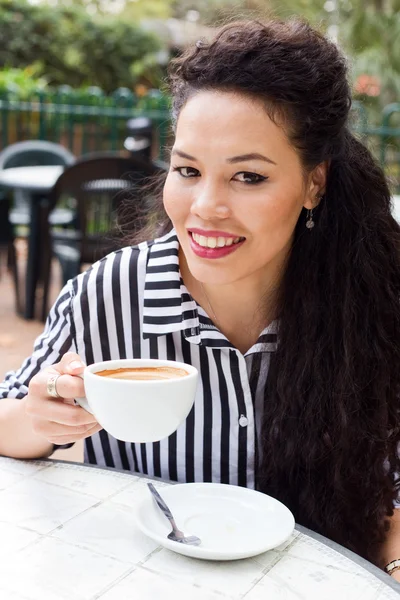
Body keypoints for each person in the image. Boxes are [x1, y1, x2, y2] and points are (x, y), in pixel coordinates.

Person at [1, 18, 400, 573]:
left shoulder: (373, 301)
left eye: (248, 177)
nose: (205, 206)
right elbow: (8, 416)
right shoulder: (108, 295)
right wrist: (40, 420)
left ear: (315, 183)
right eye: (188, 169)